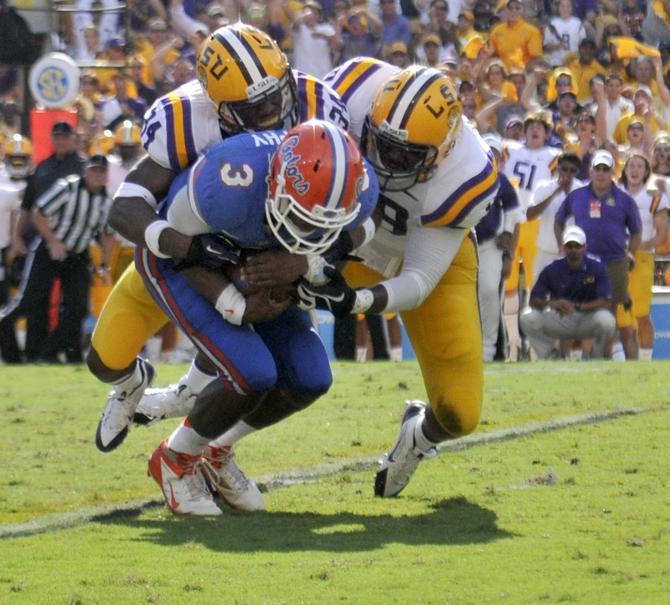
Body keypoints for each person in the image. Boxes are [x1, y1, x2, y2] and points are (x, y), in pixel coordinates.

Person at [89, 24, 352, 457]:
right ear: (218, 107)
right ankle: (131, 383)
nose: (271, 110)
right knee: (104, 361)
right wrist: (186, 246)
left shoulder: (317, 104)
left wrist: (307, 260)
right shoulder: (188, 119)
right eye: (255, 105)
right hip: (181, 257)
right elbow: (126, 207)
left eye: (275, 95)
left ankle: (192, 410)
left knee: (255, 355)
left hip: (258, 253)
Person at [140, 120, 377, 515]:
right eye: (304, 219)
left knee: (310, 377)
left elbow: (364, 226)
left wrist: (304, 259)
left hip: (262, 266)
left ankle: (216, 450)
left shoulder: (359, 184)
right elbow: (176, 246)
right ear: (277, 184)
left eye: (323, 224)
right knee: (253, 373)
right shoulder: (227, 182)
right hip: (185, 265)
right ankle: (175, 458)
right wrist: (234, 303)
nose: (313, 231)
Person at [297, 60, 498, 497]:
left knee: (460, 413)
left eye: (405, 156)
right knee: (256, 289)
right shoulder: (351, 88)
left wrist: (355, 303)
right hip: (343, 229)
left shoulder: (468, 172)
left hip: (422, 258)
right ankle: (197, 430)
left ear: (443, 150)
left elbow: (420, 280)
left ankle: (419, 437)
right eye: (382, 144)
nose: (386, 162)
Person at [12, 155, 113, 363]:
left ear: (106, 176)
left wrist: (104, 264)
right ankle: (10, 343)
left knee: (79, 308)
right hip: (48, 251)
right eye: (93, 170)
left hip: (77, 255)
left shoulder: (107, 200)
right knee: (30, 302)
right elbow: (39, 213)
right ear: (86, 171)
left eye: (101, 171)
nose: (96, 175)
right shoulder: (67, 187)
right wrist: (52, 242)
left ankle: (48, 352)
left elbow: (108, 234)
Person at [4, 120, 85, 362]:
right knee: (34, 301)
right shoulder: (42, 167)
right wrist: (18, 237)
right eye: (56, 136)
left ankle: (69, 352)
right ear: (52, 139)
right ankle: (36, 352)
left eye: (64, 136)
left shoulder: (84, 167)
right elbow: (28, 207)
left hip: (75, 245)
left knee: (73, 306)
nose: (60, 141)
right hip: (44, 243)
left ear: (73, 138)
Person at [554, 149, 642, 359]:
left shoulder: (624, 199)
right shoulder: (576, 195)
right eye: (597, 168)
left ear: (612, 172)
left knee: (608, 313)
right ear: (590, 171)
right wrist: (561, 245)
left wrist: (631, 254)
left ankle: (602, 356)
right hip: (580, 261)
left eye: (605, 169)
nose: (601, 173)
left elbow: (637, 231)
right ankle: (562, 356)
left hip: (614, 262)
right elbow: (558, 221)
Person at [502, 111, 561, 361]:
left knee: (535, 288)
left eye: (540, 126)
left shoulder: (553, 156)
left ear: (547, 133)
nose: (535, 130)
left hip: (536, 224)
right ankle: (512, 342)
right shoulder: (510, 149)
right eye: (531, 126)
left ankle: (535, 345)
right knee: (509, 286)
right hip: (511, 220)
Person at [520, 225, 616, 359]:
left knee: (607, 320)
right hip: (561, 318)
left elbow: (606, 301)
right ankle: (551, 357)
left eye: (577, 246)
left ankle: (597, 356)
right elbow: (534, 299)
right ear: (563, 247)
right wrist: (553, 304)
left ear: (584, 247)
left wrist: (578, 307)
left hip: (588, 318)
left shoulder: (597, 267)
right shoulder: (552, 269)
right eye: (569, 246)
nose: (573, 250)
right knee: (527, 317)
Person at [476, 132, 522, 362]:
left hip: (490, 248)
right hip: (462, 245)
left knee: (489, 294)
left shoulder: (501, 181)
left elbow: (514, 217)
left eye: (494, 153)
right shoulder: (465, 175)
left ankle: (488, 349)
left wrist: (509, 254)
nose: (490, 157)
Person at [620, 153, 669, 359]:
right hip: (617, 259)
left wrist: (639, 245)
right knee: (621, 317)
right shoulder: (614, 193)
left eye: (640, 166)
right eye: (631, 165)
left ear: (646, 171)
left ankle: (645, 360)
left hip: (641, 258)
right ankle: (622, 360)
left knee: (640, 313)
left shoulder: (655, 196)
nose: (635, 170)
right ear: (624, 170)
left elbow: (661, 235)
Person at [0, 133, 32, 363]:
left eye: (22, 159)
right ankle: (11, 353)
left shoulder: (35, 179)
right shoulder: (4, 182)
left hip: (30, 249)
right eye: (14, 158)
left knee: (30, 301)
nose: (18, 164)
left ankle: (27, 351)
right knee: (5, 303)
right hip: (5, 250)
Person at [527, 151, 584, 278]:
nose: (567, 174)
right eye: (564, 169)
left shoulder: (582, 191)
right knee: (538, 296)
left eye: (572, 170)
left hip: (572, 256)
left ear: (577, 172)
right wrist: (555, 193)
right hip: (545, 253)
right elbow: (530, 215)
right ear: (558, 169)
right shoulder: (544, 186)